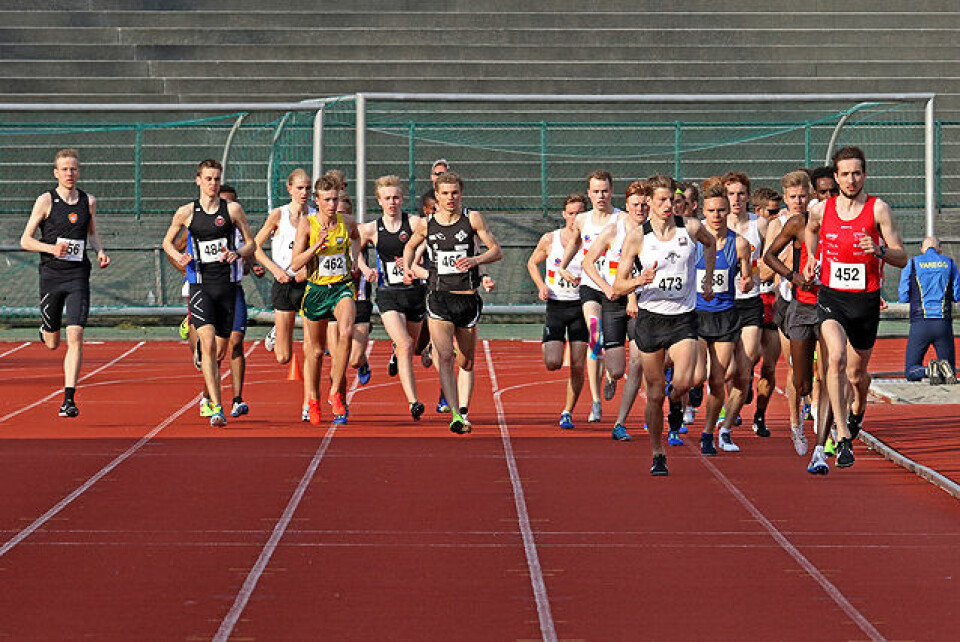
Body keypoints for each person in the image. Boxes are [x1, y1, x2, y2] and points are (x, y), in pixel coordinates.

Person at [804, 146, 908, 468]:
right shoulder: (822, 210)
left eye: (856, 173)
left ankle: (857, 408)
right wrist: (811, 257)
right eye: (845, 174)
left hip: (865, 301)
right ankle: (843, 436)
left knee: (856, 374)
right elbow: (810, 230)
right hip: (832, 298)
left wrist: (878, 250)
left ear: (865, 175)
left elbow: (902, 257)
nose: (851, 179)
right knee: (833, 358)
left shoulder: (878, 210)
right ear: (835, 177)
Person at [613, 174, 716, 476]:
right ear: (650, 203)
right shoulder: (637, 237)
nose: (668, 205)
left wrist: (706, 277)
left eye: (672, 199)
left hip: (683, 317)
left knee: (686, 381)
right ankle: (658, 453)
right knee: (654, 393)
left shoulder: (691, 228)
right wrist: (638, 280)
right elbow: (618, 284)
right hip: (650, 318)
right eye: (661, 200)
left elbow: (710, 245)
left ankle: (677, 402)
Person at [402, 171, 502, 434]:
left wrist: (475, 261)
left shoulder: (472, 218)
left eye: (454, 193)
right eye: (444, 193)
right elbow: (411, 247)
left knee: (465, 362)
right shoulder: (426, 224)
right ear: (436, 196)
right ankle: (457, 415)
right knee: (444, 356)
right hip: (438, 298)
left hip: (467, 298)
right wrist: (409, 267)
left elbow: (496, 250)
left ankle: (461, 399)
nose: (450, 198)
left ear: (461, 194)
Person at [162, 159, 256, 427]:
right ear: (198, 180)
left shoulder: (233, 210)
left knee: (219, 352)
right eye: (208, 179)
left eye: (216, 179)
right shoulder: (187, 212)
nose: (213, 184)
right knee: (209, 343)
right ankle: (217, 406)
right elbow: (166, 242)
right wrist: (179, 257)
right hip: (200, 286)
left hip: (226, 287)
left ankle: (211, 387)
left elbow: (250, 243)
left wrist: (236, 253)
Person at [20, 148, 111, 418]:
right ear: (56, 173)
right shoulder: (46, 201)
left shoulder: (88, 201)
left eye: (74, 169)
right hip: (51, 275)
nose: (70, 174)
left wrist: (100, 251)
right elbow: (25, 240)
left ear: (78, 172)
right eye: (65, 169)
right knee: (52, 343)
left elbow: (92, 234)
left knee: (76, 335)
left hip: (77, 276)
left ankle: (68, 399)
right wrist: (50, 249)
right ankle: (46, 329)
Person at [764, 171, 830, 464]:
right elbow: (766, 262)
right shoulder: (787, 224)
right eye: (794, 197)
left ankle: (827, 431)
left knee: (830, 370)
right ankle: (796, 418)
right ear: (786, 198)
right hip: (793, 303)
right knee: (798, 373)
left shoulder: (830, 221)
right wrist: (791, 275)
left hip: (829, 305)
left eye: (804, 195)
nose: (800, 201)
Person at [289, 174, 360, 426]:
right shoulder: (307, 225)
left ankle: (335, 393)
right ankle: (312, 399)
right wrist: (315, 247)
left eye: (335, 199)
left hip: (341, 286)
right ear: (317, 200)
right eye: (327, 200)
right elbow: (295, 263)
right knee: (316, 351)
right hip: (316, 290)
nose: (332, 204)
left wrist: (355, 259)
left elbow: (356, 236)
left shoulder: (347, 221)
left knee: (347, 330)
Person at [356, 175, 428, 419]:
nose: (392, 202)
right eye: (387, 198)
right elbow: (353, 248)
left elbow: (431, 240)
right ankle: (413, 402)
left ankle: (396, 354)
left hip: (415, 293)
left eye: (396, 197)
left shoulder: (416, 223)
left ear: (402, 198)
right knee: (406, 343)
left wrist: (413, 258)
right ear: (379, 201)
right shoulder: (371, 228)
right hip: (388, 295)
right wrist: (366, 270)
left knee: (413, 346)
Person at [692, 179, 753, 455]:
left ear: (728, 211)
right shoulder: (692, 240)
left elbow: (748, 278)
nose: (716, 216)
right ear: (702, 212)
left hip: (725, 316)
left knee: (717, 380)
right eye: (711, 211)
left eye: (720, 211)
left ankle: (708, 433)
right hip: (695, 315)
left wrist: (746, 283)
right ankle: (688, 395)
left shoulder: (739, 244)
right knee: (696, 374)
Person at [558, 169, 622, 423]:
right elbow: (574, 243)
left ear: (612, 191)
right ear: (589, 193)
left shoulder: (622, 219)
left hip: (615, 287)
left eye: (605, 190)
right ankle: (596, 402)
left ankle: (609, 376)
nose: (601, 196)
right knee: (594, 336)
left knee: (610, 348)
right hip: (591, 285)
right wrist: (563, 265)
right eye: (596, 191)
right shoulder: (582, 220)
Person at [253, 168, 315, 420]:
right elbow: (255, 246)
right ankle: (277, 331)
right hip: (283, 282)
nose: (304, 193)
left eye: (308, 188)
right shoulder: (278, 215)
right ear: (289, 189)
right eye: (299, 188)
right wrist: (275, 270)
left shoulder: (315, 216)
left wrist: (307, 272)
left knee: (312, 350)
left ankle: (308, 403)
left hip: (308, 284)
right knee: (283, 356)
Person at [527, 193, 590, 430]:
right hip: (556, 305)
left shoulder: (590, 242)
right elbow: (532, 263)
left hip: (580, 306)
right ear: (564, 214)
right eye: (571, 213)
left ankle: (567, 411)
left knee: (577, 364)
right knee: (552, 362)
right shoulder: (550, 239)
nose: (574, 218)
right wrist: (541, 285)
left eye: (579, 213)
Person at [723, 171, 768, 429]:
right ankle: (730, 399)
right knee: (727, 367)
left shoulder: (758, 224)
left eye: (741, 193)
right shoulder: (715, 225)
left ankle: (728, 418)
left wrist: (758, 272)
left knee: (748, 358)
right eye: (731, 194)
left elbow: (771, 256)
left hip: (750, 299)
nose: (736, 199)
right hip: (724, 302)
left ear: (749, 196)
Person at [899, 236, 960, 382]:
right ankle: (941, 368)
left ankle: (927, 370)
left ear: (922, 249)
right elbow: (957, 295)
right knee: (949, 372)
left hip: (920, 323)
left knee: (911, 370)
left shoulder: (913, 263)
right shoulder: (949, 263)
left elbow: (903, 296)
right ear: (939, 249)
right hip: (943, 324)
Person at [750, 187, 784, 437]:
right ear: (759, 212)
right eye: (771, 212)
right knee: (743, 364)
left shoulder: (785, 230)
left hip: (773, 303)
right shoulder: (749, 230)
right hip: (751, 303)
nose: (776, 217)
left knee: (770, 367)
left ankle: (760, 415)